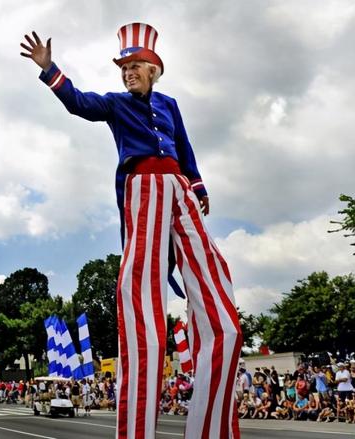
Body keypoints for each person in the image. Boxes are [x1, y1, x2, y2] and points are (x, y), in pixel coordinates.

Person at [21, 22, 241, 439]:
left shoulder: (171, 104)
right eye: (124, 67)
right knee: (141, 287)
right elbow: (78, 103)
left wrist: (198, 187)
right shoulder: (116, 104)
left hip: (178, 185)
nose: (128, 73)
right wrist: (50, 70)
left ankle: (211, 428)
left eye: (135, 66)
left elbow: (186, 150)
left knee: (220, 305)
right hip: (141, 184)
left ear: (153, 69)